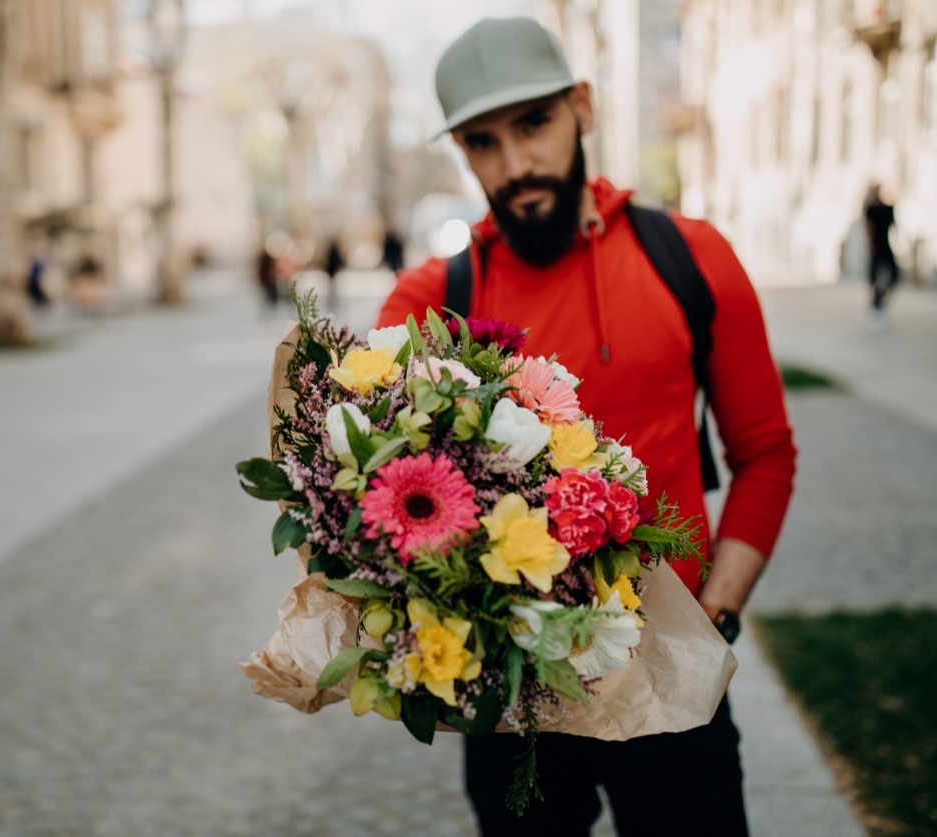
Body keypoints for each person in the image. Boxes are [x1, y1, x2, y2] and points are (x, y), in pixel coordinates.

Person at [374, 18, 796, 836]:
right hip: (514, 705)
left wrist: (717, 611)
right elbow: (374, 495)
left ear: (583, 108)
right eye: (483, 142)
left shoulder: (692, 257)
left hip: (674, 679)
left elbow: (766, 453)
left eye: (534, 124)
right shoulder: (432, 301)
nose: (515, 163)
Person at [863, 183, 899, 330]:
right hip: (875, 249)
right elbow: (866, 228)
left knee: (894, 278)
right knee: (874, 280)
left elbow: (895, 226)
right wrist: (869, 246)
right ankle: (876, 307)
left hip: (886, 247)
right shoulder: (871, 209)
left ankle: (881, 304)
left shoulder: (888, 208)